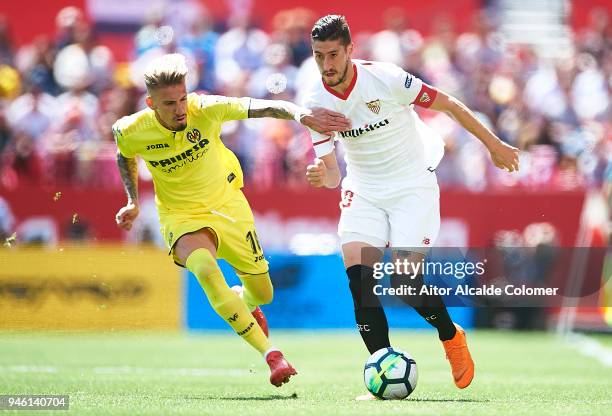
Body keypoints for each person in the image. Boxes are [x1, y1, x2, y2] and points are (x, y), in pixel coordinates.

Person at [301, 15, 519, 399]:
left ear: (350, 49)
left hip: (412, 185)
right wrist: (321, 174)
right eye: (319, 56)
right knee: (360, 283)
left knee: (404, 282)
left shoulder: (385, 78)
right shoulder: (316, 103)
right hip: (364, 189)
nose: (327, 65)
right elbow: (333, 175)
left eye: (334, 54)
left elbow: (448, 103)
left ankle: (450, 336)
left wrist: (494, 145)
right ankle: (381, 369)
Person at [112, 53, 350, 387]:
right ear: (151, 103)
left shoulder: (205, 108)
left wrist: (300, 114)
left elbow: (263, 106)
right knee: (206, 270)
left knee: (264, 293)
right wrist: (132, 200)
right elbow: (124, 153)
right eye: (169, 103)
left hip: (228, 207)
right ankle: (272, 355)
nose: (180, 108)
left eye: (182, 98)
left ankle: (246, 302)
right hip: (180, 216)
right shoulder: (130, 129)